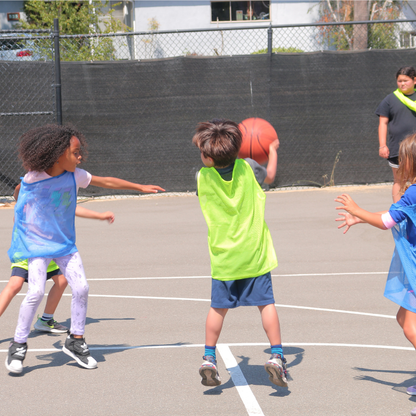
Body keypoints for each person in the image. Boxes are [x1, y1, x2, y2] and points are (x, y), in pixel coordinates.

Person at [5, 123, 164, 374]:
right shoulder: (34, 178)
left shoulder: (74, 176)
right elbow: (20, 192)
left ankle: (75, 340)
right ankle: (18, 344)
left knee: (81, 287)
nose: (80, 157)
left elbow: (106, 181)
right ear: (58, 155)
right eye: (76, 153)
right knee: (34, 292)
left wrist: (139, 187)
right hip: (36, 245)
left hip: (64, 244)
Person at [192, 118, 288, 388]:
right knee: (266, 304)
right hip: (254, 254)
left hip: (224, 257)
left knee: (218, 308)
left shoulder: (201, 177)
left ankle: (209, 358)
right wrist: (273, 151)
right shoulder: (249, 167)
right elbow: (270, 177)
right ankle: (278, 356)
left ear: (207, 156)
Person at [335, 133, 416, 416]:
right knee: (403, 318)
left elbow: (387, 221)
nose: (397, 164)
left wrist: (358, 209)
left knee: (410, 326)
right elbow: (398, 213)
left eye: (401, 159)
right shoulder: (413, 193)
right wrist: (361, 217)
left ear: (411, 162)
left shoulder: (414, 192)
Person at [0, 205, 115, 334]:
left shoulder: (54, 193)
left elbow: (72, 207)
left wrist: (100, 215)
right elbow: (18, 203)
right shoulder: (33, 194)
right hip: (30, 247)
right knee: (15, 285)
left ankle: (46, 320)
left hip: (50, 246)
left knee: (61, 280)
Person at [376, 66, 416, 203]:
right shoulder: (390, 99)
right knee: (399, 181)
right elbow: (383, 123)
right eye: (399, 81)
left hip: (415, 148)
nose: (402, 84)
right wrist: (382, 145)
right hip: (397, 149)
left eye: (406, 80)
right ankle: (398, 213)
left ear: (414, 80)